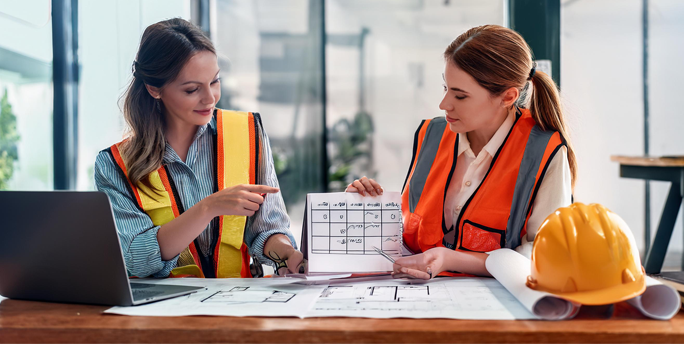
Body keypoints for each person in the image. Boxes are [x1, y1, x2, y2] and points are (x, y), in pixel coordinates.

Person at [347, 25, 575, 279]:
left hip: (494, 306)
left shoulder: (544, 152)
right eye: (446, 88)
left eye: (461, 96)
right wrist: (363, 211)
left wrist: (452, 259)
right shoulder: (431, 135)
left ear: (508, 96)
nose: (444, 105)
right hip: (415, 296)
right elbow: (407, 232)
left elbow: (543, 253)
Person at [94, 18, 303, 278]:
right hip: (162, 311)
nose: (210, 98)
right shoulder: (114, 164)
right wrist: (208, 208)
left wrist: (287, 254)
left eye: (215, 82)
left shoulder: (248, 132)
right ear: (154, 89)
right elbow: (137, 259)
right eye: (192, 89)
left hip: (239, 305)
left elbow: (266, 230)